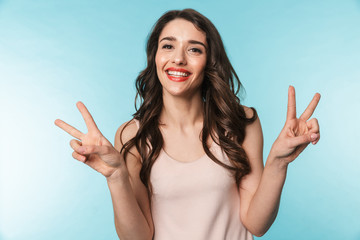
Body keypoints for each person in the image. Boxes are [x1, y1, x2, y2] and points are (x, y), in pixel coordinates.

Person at [55, 8, 320, 240]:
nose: (178, 58)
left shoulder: (241, 122)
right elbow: (138, 237)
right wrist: (116, 177)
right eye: (168, 46)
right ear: (155, 57)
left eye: (194, 49)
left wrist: (278, 162)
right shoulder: (132, 136)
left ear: (209, 62)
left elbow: (256, 224)